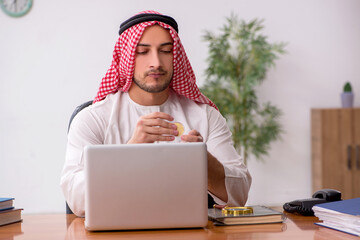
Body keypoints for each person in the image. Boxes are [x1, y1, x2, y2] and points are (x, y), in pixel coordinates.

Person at [60, 10, 252, 217]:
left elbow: (239, 194)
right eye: (143, 52)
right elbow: (76, 198)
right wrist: (130, 153)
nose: (156, 63)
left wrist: (202, 160)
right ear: (126, 57)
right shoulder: (93, 119)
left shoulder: (205, 116)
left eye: (166, 51)